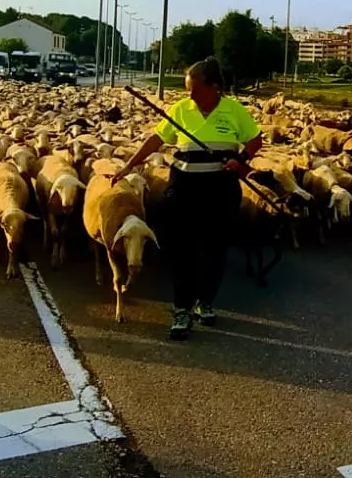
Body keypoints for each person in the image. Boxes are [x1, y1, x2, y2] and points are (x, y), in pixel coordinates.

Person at [112, 57, 262, 341]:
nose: (189, 94)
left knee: (215, 249)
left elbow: (256, 140)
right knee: (183, 250)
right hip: (185, 187)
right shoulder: (180, 109)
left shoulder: (234, 110)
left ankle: (204, 301)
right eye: (187, 88)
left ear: (214, 87)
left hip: (221, 187)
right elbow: (155, 141)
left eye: (194, 88)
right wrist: (127, 166)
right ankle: (181, 310)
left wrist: (240, 159)